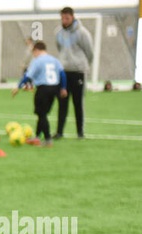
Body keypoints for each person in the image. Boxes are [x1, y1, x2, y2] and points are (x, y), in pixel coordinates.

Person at [12, 41, 67, 147]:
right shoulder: (54, 60)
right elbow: (62, 74)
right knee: (42, 114)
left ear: (36, 50)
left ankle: (47, 139)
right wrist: (63, 88)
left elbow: (28, 76)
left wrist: (18, 87)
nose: (33, 55)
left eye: (33, 52)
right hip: (54, 89)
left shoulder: (37, 61)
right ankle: (37, 137)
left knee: (41, 114)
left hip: (43, 89)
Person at [54, 7, 93, 139]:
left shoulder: (82, 33)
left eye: (67, 18)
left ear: (72, 17)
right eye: (62, 18)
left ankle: (80, 133)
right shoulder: (57, 32)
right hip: (63, 73)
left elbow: (89, 52)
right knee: (62, 103)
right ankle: (59, 132)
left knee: (78, 103)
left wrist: (81, 65)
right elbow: (60, 49)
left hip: (78, 73)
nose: (64, 21)